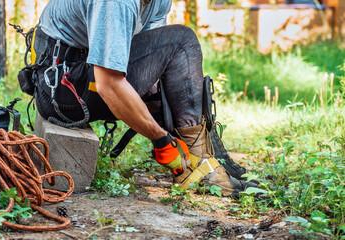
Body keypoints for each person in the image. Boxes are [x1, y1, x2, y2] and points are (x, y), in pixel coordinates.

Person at [25, 0, 258, 198]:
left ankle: (204, 159)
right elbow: (109, 84)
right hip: (62, 86)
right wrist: (161, 139)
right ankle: (203, 168)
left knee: (176, 49)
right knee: (181, 42)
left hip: (84, 72)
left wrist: (173, 124)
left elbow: (154, 67)